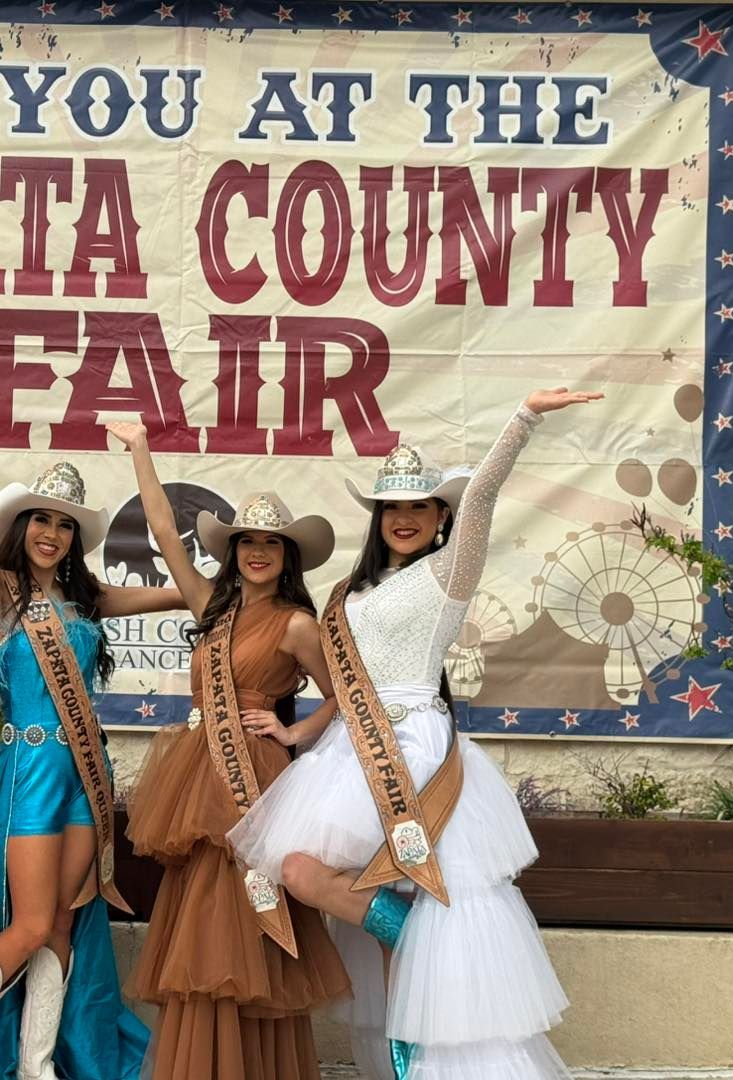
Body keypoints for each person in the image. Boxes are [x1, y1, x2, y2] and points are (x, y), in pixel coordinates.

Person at [228, 389, 602, 1080]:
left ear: (439, 518)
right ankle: (410, 939)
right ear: (378, 517)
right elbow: (341, 691)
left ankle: (436, 1043)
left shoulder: (448, 573)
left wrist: (522, 416)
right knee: (301, 868)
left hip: (417, 749)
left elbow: (484, 497)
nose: (404, 518)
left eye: (419, 507)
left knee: (427, 884)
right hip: (350, 749)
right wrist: (297, 729)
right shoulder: (349, 593)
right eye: (392, 507)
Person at [0, 366, 185, 1080]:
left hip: (85, 774)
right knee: (33, 922)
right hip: (31, 769)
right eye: (40, 519)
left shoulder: (89, 600)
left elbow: (186, 591)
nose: (50, 532)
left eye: (65, 525)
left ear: (77, 539)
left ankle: (38, 1064)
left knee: (67, 923)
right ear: (24, 527)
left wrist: (141, 453)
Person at [109, 421, 352, 1080]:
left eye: (271, 543)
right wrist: (140, 452)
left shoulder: (298, 624)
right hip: (195, 775)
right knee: (200, 918)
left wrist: (294, 732)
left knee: (245, 914)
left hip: (254, 775)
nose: (258, 552)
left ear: (287, 554)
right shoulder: (210, 607)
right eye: (248, 542)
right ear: (234, 549)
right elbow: (163, 533)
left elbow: (348, 697)